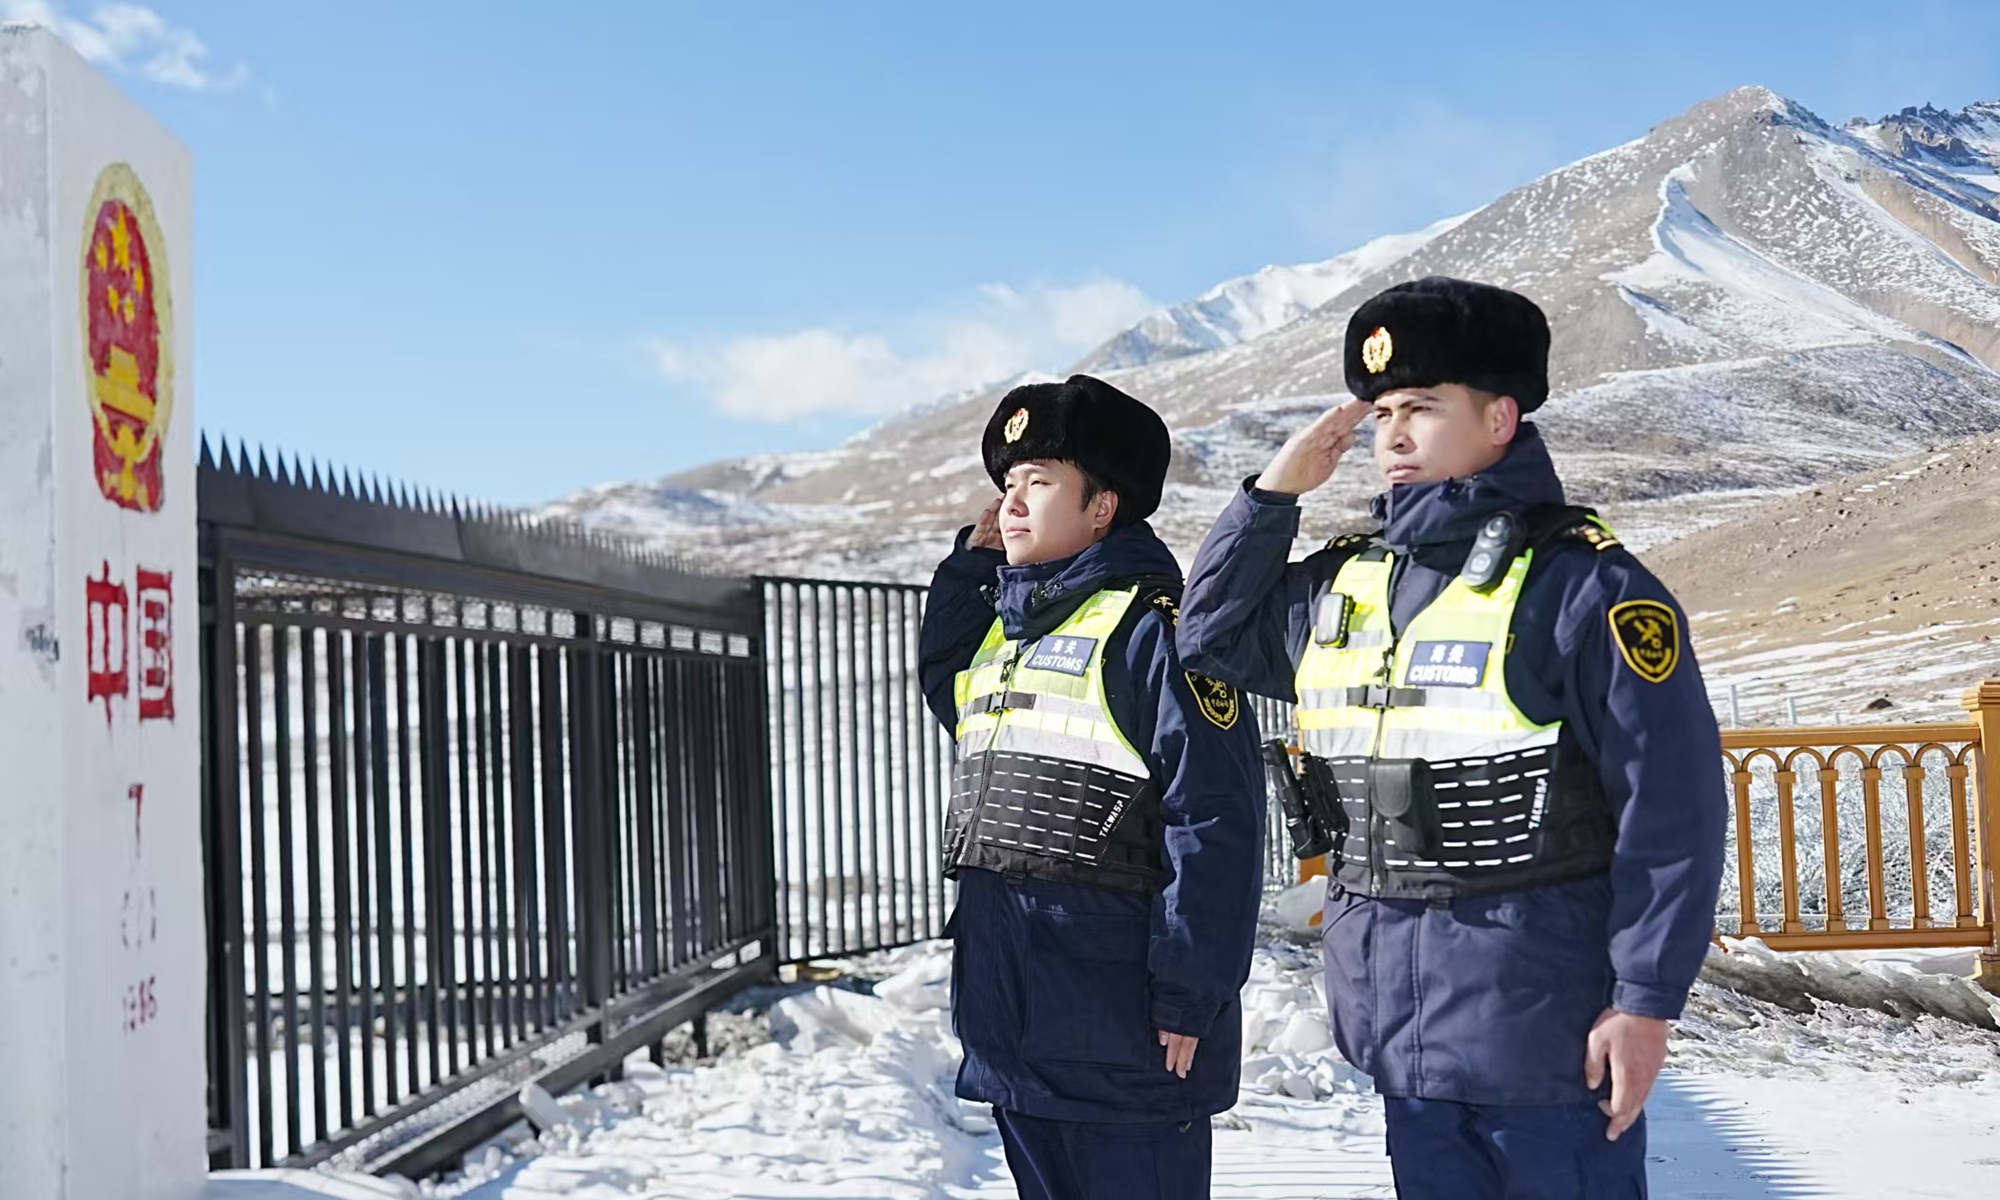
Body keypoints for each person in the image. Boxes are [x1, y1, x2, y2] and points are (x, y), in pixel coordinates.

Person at [1176, 277, 1727, 1199]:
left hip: (1543, 1032)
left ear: (1501, 415)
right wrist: (1272, 497)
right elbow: (1210, 638)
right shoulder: (1345, 586)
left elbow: (1671, 810)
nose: (1391, 435)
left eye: (1421, 409)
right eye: (1382, 411)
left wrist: (1645, 1001)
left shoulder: (1583, 588)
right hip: (1397, 1029)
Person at [917, 373, 1266, 1200]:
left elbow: (1215, 819)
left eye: (1039, 483)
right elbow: (946, 682)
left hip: (1124, 1038)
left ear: (1103, 507)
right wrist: (973, 565)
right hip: (1015, 1032)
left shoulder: (1156, 633)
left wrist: (1191, 993)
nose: (1012, 502)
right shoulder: (1010, 640)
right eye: (1007, 484)